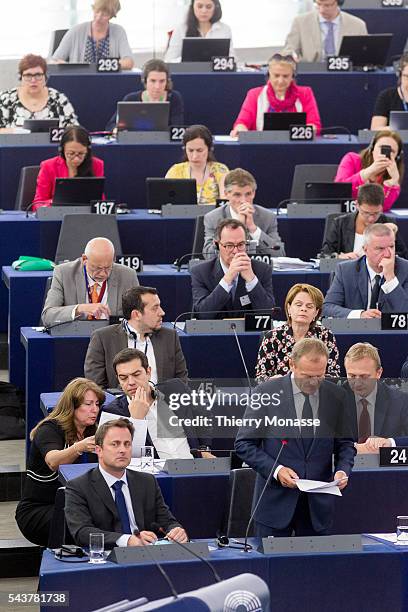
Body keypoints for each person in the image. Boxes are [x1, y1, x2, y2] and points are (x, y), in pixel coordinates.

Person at [235, 338, 355, 537]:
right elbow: (244, 444)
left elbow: (345, 444)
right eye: (307, 376)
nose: (313, 382)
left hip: (317, 509)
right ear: (292, 364)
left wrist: (343, 470)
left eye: (319, 376)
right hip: (274, 505)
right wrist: (277, 470)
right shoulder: (266, 393)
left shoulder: (336, 396)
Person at [65, 418, 188, 548]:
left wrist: (176, 531)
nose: (122, 450)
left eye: (127, 444)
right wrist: (127, 540)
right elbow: (82, 532)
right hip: (107, 558)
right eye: (115, 444)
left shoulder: (147, 482)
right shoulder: (78, 487)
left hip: (147, 555)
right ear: (98, 450)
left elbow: (167, 522)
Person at [15, 378, 104, 546]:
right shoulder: (50, 429)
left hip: (73, 506)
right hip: (39, 510)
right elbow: (53, 461)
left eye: (97, 404)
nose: (95, 410)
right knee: (87, 522)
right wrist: (78, 447)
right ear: (72, 406)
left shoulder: (93, 431)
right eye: (88, 404)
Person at [100, 349, 211, 459]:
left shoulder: (175, 388)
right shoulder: (112, 412)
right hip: (156, 474)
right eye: (123, 378)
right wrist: (136, 420)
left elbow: (202, 417)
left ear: (148, 372)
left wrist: (204, 449)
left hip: (193, 465)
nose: (131, 382)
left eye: (136, 374)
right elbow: (119, 458)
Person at [84, 286, 188, 389]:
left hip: (162, 404)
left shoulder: (170, 337)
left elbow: (181, 382)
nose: (162, 312)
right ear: (136, 314)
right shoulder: (103, 338)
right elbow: (96, 387)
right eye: (155, 308)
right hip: (120, 404)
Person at [41, 237, 138, 327]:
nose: (103, 274)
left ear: (114, 259)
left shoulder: (128, 276)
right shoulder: (64, 273)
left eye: (108, 268)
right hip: (76, 337)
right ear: (84, 259)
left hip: (113, 339)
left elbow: (139, 316)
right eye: (97, 268)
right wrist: (80, 309)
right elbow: (48, 316)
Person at [191, 219, 275, 318]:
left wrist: (252, 280)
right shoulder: (201, 272)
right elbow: (203, 314)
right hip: (215, 332)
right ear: (217, 245)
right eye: (229, 245)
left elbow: (268, 313)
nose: (236, 251)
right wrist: (227, 279)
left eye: (240, 245)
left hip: (250, 332)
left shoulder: (262, 270)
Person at [256, 283, 340, 381]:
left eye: (309, 306)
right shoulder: (272, 337)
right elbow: (260, 378)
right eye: (298, 304)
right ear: (289, 308)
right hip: (282, 392)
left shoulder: (325, 335)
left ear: (316, 312)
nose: (303, 309)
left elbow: (334, 375)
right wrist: (277, 381)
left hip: (316, 391)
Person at [322, 223, 408, 319]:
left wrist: (391, 279)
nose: (388, 254)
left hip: (394, 333)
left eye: (391, 247)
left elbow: (405, 311)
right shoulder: (346, 270)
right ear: (365, 249)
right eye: (380, 248)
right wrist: (360, 315)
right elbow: (327, 308)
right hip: (357, 332)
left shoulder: (405, 269)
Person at [231, 54, 321, 137]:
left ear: (292, 77)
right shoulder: (254, 94)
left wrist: (309, 130)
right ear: (269, 75)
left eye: (285, 76)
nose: (280, 81)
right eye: (276, 76)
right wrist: (240, 129)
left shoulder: (305, 93)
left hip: (299, 148)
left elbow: (314, 125)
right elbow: (242, 122)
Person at [203, 168, 285, 257]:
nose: (243, 200)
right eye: (237, 195)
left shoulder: (268, 217)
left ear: (254, 193)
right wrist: (238, 225)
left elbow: (279, 254)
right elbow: (209, 254)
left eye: (248, 194)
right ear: (226, 194)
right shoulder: (213, 218)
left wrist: (253, 229)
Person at [343, 343, 408, 453]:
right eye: (352, 376)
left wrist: (390, 442)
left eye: (364, 376)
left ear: (379, 373)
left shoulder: (400, 400)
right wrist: (352, 447)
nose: (357, 383)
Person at [320, 183, 408, 260]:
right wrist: (338, 257)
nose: (371, 219)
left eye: (376, 213)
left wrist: (390, 241)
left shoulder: (388, 223)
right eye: (366, 213)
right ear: (357, 205)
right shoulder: (340, 224)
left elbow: (403, 256)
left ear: (381, 207)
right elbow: (324, 255)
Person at [32, 125, 104, 210]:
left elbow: (100, 200)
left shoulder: (97, 164)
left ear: (87, 151)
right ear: (62, 150)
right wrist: (54, 203)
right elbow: (38, 203)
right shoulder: (48, 166)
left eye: (81, 154)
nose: (76, 159)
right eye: (71, 153)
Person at [0, 54, 78, 132]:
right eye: (28, 75)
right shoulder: (5, 100)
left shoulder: (58, 99)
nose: (33, 80)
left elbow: (75, 131)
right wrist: (11, 131)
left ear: (45, 77)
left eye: (38, 75)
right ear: (21, 77)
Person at [51, 0, 134, 70]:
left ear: (112, 16)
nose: (98, 18)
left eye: (104, 15)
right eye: (97, 12)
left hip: (109, 82)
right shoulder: (75, 31)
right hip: (78, 81)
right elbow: (53, 61)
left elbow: (129, 62)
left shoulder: (119, 31)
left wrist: (102, 66)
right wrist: (69, 67)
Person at [334, 130, 404, 212]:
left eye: (391, 151)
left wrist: (392, 183)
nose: (385, 154)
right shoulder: (352, 159)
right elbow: (339, 190)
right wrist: (367, 172)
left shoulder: (393, 175)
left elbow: (383, 208)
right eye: (382, 148)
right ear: (372, 149)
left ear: (397, 156)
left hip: (373, 220)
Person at [105, 59, 184, 132]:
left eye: (162, 81)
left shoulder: (174, 97)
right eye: (153, 81)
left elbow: (177, 127)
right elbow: (111, 125)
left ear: (167, 81)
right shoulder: (131, 99)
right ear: (145, 81)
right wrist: (116, 130)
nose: (157, 86)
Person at [282, 0, 367, 63]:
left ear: (338, 3)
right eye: (318, 4)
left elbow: (365, 55)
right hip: (311, 74)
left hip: (347, 75)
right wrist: (291, 56)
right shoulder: (300, 22)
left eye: (327, 5)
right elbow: (288, 50)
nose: (322, 10)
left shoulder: (357, 25)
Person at [165, 124, 228, 205]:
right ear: (184, 149)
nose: (194, 156)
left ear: (210, 149)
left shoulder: (221, 170)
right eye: (190, 150)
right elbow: (166, 202)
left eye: (200, 150)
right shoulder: (175, 171)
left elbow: (225, 202)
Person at [164, 0, 234, 63]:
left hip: (217, 74)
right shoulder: (181, 29)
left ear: (215, 8)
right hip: (188, 73)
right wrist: (186, 60)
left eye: (208, 7)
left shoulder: (225, 29)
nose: (204, 11)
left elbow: (231, 58)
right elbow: (169, 60)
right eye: (199, 6)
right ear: (193, 7)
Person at [371, 53, 408, 130]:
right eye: (407, 76)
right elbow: (375, 129)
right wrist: (394, 129)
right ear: (400, 75)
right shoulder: (386, 96)